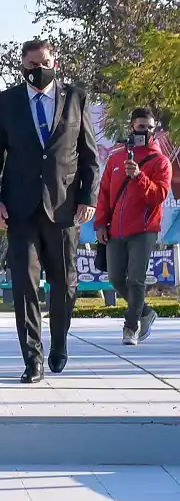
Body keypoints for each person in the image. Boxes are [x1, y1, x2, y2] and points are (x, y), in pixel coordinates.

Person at [0, 39, 99, 384]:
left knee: (65, 283)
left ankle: (59, 342)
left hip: (64, 208)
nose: (38, 69)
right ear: (22, 66)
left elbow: (90, 156)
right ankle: (32, 359)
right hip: (19, 210)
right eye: (31, 64)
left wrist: (88, 197)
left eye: (44, 62)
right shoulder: (7, 102)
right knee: (25, 285)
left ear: (55, 62)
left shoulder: (76, 99)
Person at [94, 107, 171, 346]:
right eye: (141, 127)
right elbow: (105, 194)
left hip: (144, 230)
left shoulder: (161, 162)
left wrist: (139, 177)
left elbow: (159, 195)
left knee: (136, 279)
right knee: (117, 278)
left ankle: (131, 326)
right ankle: (145, 312)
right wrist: (100, 224)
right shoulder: (116, 158)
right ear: (131, 128)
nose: (146, 132)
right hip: (115, 230)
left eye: (150, 128)